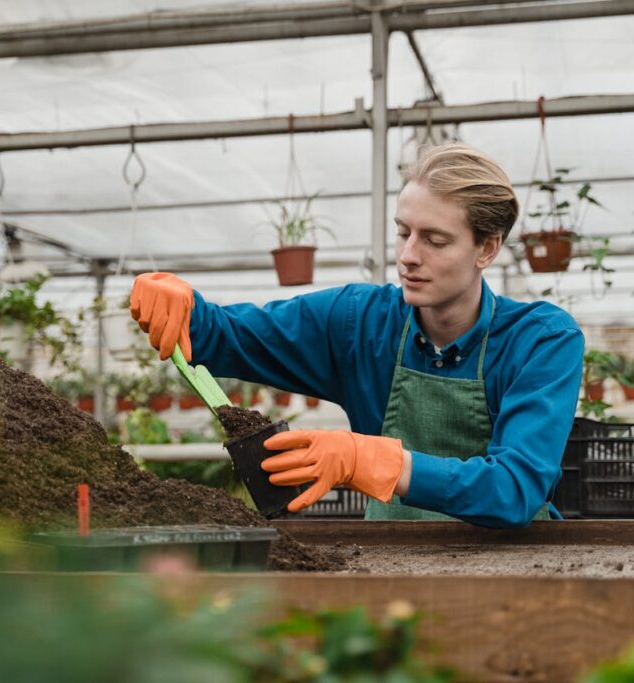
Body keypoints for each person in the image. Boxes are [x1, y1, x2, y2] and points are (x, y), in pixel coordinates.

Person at [130, 143, 584, 526]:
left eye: (435, 240)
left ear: (487, 248)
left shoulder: (540, 341)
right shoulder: (359, 324)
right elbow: (227, 337)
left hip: (517, 573)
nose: (408, 256)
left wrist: (370, 460)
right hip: (390, 567)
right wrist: (180, 304)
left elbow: (514, 488)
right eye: (403, 233)